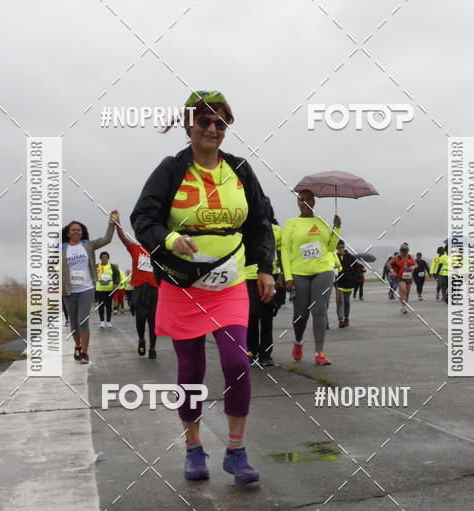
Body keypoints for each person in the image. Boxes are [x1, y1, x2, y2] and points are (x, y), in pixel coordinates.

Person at [131, 89, 275, 485]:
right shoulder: (171, 169)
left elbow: (260, 221)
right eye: (205, 121)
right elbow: (143, 217)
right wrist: (169, 239)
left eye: (221, 121)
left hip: (229, 283)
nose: (213, 128)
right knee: (191, 370)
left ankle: (236, 450)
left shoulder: (240, 170)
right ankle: (194, 448)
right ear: (188, 124)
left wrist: (265, 268)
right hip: (182, 285)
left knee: (237, 363)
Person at [281, 190, 341, 365]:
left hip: (322, 270)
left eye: (308, 199)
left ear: (314, 202)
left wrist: (336, 228)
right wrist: (287, 276)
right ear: (297, 202)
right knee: (301, 313)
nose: (305, 202)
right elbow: (285, 251)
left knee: (319, 310)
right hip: (299, 272)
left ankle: (319, 353)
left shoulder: (321, 222)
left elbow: (330, 247)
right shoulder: (291, 224)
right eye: (301, 199)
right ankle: (298, 341)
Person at [61, 212, 117, 364]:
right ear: (68, 233)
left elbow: (107, 239)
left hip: (86, 288)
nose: (76, 232)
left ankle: (85, 352)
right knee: (73, 322)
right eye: (73, 230)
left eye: (79, 230)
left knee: (82, 320)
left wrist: (112, 223)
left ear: (82, 232)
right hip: (68, 290)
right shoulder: (61, 248)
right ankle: (77, 346)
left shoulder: (88, 245)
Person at [115, 222, 159, 357]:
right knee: (140, 318)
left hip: (154, 289)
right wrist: (117, 223)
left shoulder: (158, 252)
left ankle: (152, 347)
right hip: (139, 289)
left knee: (153, 319)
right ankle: (141, 339)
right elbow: (122, 238)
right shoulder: (135, 249)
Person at [246, 202, 282, 367]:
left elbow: (282, 254)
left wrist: (282, 275)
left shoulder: (277, 231)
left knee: (267, 317)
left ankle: (266, 355)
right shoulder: (245, 228)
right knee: (252, 316)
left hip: (270, 276)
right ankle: (251, 352)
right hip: (248, 277)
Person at [389, 243, 417, 314]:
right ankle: (403, 307)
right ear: (400, 251)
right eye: (403, 251)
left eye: (406, 251)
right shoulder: (397, 257)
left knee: (407, 293)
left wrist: (412, 267)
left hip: (408, 276)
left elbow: (416, 265)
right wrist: (392, 271)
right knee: (403, 290)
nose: (404, 253)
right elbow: (388, 264)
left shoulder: (410, 257)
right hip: (400, 277)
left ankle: (405, 306)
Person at [335, 241, 358, 327]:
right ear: (336, 248)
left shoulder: (351, 257)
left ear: (344, 247)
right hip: (338, 283)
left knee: (347, 302)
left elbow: (356, 268)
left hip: (348, 283)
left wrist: (354, 279)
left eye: (342, 247)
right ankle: (341, 320)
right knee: (340, 302)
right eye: (339, 247)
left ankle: (346, 318)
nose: (341, 249)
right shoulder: (334, 257)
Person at [95, 251, 121, 327]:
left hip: (109, 289)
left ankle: (109, 321)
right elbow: (92, 274)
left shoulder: (112, 266)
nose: (104, 259)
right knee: (101, 305)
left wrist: (116, 283)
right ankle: (102, 321)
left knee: (109, 305)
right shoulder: (97, 266)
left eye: (106, 257)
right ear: (100, 258)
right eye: (103, 257)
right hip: (100, 289)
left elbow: (117, 275)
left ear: (108, 258)